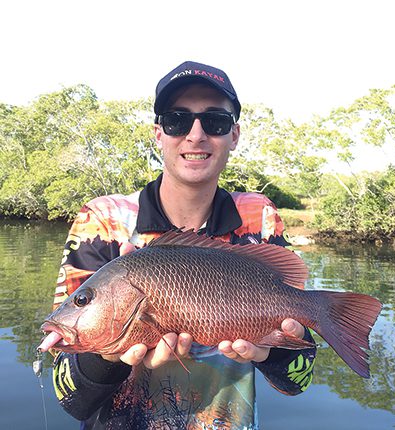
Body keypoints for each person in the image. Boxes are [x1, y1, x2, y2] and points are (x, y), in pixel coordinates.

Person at [51, 60, 316, 429]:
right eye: (177, 120)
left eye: (215, 122)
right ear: (158, 133)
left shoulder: (259, 217)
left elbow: (299, 381)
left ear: (234, 136)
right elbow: (68, 396)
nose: (195, 135)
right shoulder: (105, 220)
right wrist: (110, 356)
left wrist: (272, 349)